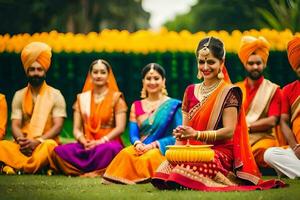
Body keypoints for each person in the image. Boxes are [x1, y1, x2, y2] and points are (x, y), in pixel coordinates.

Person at [151, 37, 284, 191]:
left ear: (222, 62)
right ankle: (183, 176)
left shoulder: (229, 92)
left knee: (201, 163)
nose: (205, 67)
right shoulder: (190, 90)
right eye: (201, 62)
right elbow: (185, 131)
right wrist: (178, 146)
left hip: (219, 153)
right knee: (162, 172)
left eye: (211, 62)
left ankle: (191, 177)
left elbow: (228, 132)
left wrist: (196, 135)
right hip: (194, 151)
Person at [102, 63, 182, 184]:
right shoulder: (136, 105)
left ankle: (143, 177)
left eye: (156, 78)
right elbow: (133, 134)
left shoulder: (174, 105)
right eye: (148, 78)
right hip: (142, 146)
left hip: (162, 149)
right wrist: (138, 143)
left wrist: (154, 144)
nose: (152, 82)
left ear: (163, 81)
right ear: (143, 81)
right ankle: (126, 178)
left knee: (150, 157)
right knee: (126, 153)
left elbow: (178, 136)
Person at [52, 59, 127, 176]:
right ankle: (86, 171)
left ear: (108, 76)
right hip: (87, 144)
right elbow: (76, 129)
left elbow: (120, 128)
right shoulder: (82, 99)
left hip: (108, 143)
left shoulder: (116, 98)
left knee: (111, 149)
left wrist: (100, 142)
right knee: (58, 151)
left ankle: (96, 171)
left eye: (102, 72)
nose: (99, 75)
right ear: (90, 75)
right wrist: (83, 141)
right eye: (95, 72)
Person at [0, 42, 66, 174]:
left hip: (43, 144)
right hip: (22, 146)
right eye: (32, 69)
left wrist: (37, 141)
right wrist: (22, 142)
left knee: (51, 146)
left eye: (39, 69)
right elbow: (15, 124)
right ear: (27, 71)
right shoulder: (19, 95)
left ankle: (20, 167)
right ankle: (36, 167)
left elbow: (58, 126)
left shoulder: (56, 95)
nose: (36, 73)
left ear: (44, 71)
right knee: (3, 145)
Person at [236, 36, 281, 167]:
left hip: (263, 137)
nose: (255, 67)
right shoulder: (236, 89)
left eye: (258, 63)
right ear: (245, 64)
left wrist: (247, 127)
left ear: (264, 64)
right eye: (251, 63)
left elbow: (272, 121)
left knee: (264, 152)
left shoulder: (273, 89)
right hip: (239, 137)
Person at [264, 37, 300, 179]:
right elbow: (284, 122)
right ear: (295, 69)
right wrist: (295, 148)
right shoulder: (288, 90)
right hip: (298, 148)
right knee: (270, 154)